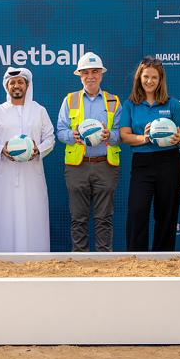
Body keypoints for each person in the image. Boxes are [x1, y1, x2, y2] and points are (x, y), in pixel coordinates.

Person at [0, 67, 55, 252]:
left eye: (20, 82)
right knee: (5, 218)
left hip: (33, 177)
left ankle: (38, 261)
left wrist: (38, 150)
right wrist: (2, 150)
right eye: (12, 82)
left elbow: (50, 138)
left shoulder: (39, 110)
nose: (16, 86)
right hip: (5, 177)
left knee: (34, 216)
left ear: (27, 85)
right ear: (6, 87)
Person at [56, 52, 122, 252]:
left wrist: (109, 135)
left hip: (105, 166)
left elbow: (121, 135)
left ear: (101, 75)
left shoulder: (114, 101)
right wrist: (72, 136)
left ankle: (104, 262)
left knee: (104, 218)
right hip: (77, 166)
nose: (90, 76)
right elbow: (60, 131)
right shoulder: (70, 100)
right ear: (79, 75)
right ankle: (80, 261)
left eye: (95, 72)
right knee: (78, 218)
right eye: (85, 72)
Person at [120, 57, 180, 252]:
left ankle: (162, 260)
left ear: (160, 79)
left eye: (154, 77)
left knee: (166, 214)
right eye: (145, 76)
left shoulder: (172, 104)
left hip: (169, 162)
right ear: (139, 78)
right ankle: (135, 259)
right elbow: (125, 135)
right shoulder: (130, 104)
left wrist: (177, 138)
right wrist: (145, 138)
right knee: (137, 211)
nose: (149, 81)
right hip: (142, 163)